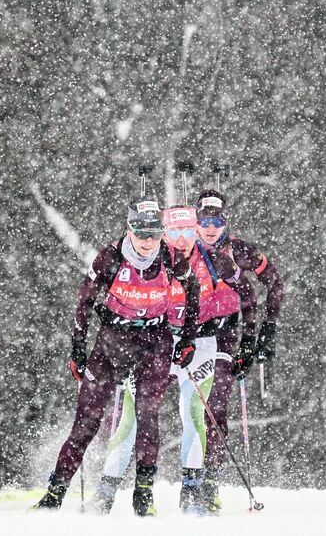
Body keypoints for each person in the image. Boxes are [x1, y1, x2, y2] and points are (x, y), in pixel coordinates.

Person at [36, 197, 201, 515]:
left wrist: (188, 339)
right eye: (140, 232)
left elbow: (192, 290)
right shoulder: (110, 257)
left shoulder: (171, 258)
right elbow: (84, 302)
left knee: (147, 414)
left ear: (161, 232)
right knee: (87, 422)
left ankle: (143, 495)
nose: (147, 241)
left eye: (154, 232)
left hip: (154, 341)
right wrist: (77, 349)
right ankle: (54, 494)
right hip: (112, 341)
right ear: (129, 228)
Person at [91, 204, 257, 516]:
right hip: (156, 343)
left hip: (199, 345)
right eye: (173, 231)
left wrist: (248, 341)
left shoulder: (215, 259)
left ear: (195, 230)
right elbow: (119, 296)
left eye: (186, 231)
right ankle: (107, 490)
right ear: (164, 231)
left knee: (194, 413)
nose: (180, 239)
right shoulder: (151, 257)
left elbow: (248, 295)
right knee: (132, 416)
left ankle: (192, 492)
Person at [192, 188, 284, 513]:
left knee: (215, 407)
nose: (211, 227)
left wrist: (263, 333)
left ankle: (209, 482)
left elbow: (274, 282)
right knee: (187, 411)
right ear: (196, 220)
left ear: (224, 220)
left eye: (216, 220)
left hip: (227, 334)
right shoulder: (183, 252)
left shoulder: (240, 251)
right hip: (188, 334)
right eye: (205, 220)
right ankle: (188, 480)